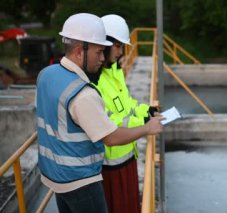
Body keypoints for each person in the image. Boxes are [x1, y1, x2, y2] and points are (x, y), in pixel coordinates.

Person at [36, 13, 163, 213]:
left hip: (55, 175)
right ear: (79, 51)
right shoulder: (84, 92)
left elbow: (124, 105)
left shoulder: (46, 75)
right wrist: (146, 127)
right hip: (83, 178)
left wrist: (145, 112)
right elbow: (110, 135)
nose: (103, 57)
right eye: (99, 51)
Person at [94, 14, 156, 213]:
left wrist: (147, 111)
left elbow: (126, 104)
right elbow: (110, 124)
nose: (121, 52)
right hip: (110, 167)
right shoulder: (95, 81)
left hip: (127, 157)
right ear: (105, 44)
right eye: (118, 46)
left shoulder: (114, 71)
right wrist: (144, 123)